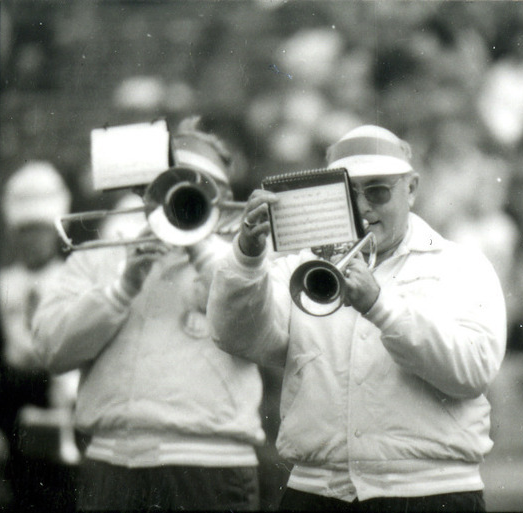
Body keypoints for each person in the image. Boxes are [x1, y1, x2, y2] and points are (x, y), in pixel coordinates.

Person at [206, 124, 506, 512]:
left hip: (429, 493)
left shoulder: (462, 264)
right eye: (348, 194)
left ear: (411, 189)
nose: (363, 207)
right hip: (316, 491)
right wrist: (247, 257)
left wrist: (380, 307)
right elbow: (234, 337)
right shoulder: (301, 266)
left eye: (378, 191)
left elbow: (473, 371)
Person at [31, 117, 265, 511]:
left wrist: (200, 247)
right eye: (171, 185)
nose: (182, 200)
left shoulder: (249, 257)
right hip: (111, 462)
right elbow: (51, 349)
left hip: (209, 464)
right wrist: (123, 286)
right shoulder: (107, 252)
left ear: (223, 196)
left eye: (196, 189)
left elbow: (259, 327)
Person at [0, 161, 80, 512]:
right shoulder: (4, 285)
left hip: (63, 402)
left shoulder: (71, 279)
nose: (33, 240)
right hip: (13, 401)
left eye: (41, 230)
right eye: (25, 231)